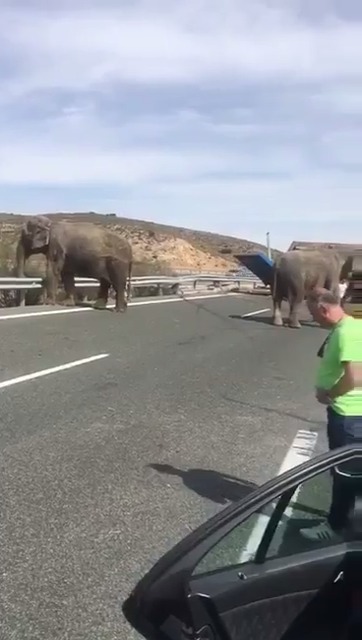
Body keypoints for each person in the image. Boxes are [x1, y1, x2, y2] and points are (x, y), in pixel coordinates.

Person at [300, 287, 362, 541]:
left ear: (324, 309)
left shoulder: (347, 332)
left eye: (313, 313)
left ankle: (336, 525)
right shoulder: (352, 327)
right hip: (352, 415)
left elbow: (356, 377)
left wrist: (330, 394)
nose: (313, 318)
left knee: (344, 473)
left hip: (349, 416)